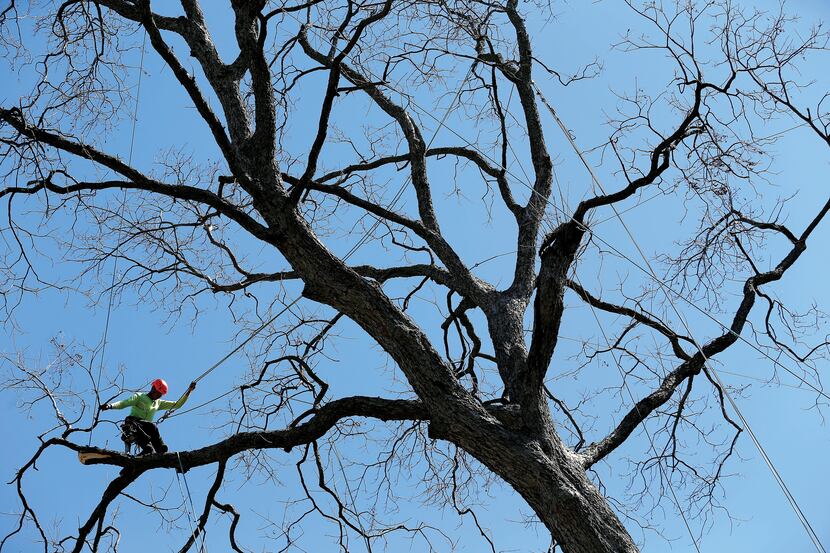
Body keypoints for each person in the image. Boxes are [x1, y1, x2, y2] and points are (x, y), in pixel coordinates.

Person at [100, 378, 196, 455]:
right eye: (158, 394)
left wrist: (189, 391)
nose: (159, 397)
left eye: (161, 395)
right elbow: (124, 403)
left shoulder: (158, 403)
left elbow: (177, 404)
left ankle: (158, 450)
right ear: (153, 388)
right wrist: (110, 406)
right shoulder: (139, 397)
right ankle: (153, 447)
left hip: (145, 428)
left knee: (152, 432)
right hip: (133, 423)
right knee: (151, 427)